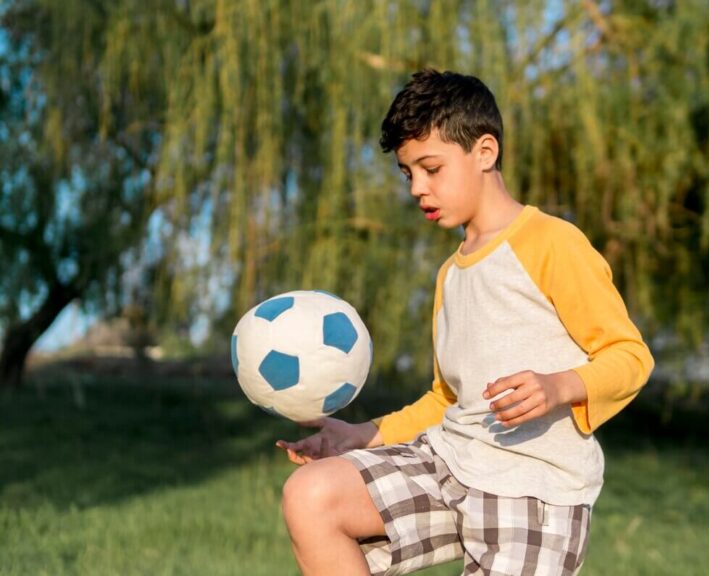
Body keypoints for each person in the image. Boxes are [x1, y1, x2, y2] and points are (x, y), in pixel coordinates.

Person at [277, 69, 654, 576]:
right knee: (311, 494)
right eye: (408, 173)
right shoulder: (450, 274)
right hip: (449, 464)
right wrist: (357, 435)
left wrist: (561, 384)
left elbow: (630, 357)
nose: (417, 188)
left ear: (485, 152)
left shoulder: (552, 243)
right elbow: (446, 399)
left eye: (431, 168)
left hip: (534, 490)